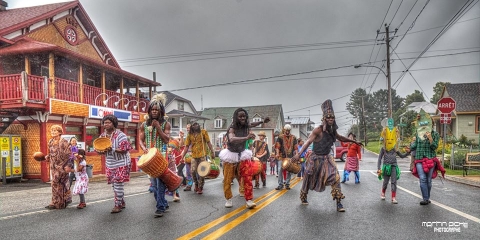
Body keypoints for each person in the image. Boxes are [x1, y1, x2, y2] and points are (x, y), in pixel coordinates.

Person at [291, 99, 362, 212]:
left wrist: (353, 142)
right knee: (308, 178)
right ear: (324, 118)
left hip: (327, 158)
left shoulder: (333, 130)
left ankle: (339, 202)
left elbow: (340, 138)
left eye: (332, 117)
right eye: (328, 117)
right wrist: (299, 154)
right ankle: (303, 196)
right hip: (315, 159)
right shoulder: (318, 130)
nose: (330, 119)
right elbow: (308, 142)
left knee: (335, 178)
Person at [219, 108, 270, 209]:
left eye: (244, 116)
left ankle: (249, 200)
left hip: (242, 154)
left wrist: (262, 121)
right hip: (230, 155)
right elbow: (232, 139)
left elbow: (253, 124)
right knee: (227, 179)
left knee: (247, 177)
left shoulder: (246, 125)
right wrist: (246, 138)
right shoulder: (232, 127)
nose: (242, 118)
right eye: (240, 116)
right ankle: (228, 199)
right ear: (236, 118)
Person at [139, 93, 171, 217]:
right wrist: (143, 148)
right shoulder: (144, 125)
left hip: (161, 157)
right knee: (154, 185)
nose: (154, 112)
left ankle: (160, 207)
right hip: (149, 158)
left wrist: (158, 128)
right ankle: (163, 202)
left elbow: (167, 140)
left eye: (156, 110)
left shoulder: (165, 124)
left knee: (160, 183)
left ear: (161, 111)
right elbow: (140, 139)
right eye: (152, 109)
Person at [409, 109, 445, 205]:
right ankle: (425, 199)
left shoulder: (435, 134)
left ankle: (427, 197)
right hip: (420, 158)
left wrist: (430, 139)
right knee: (422, 178)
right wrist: (409, 147)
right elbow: (414, 145)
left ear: (431, 125)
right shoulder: (418, 134)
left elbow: (434, 147)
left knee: (428, 180)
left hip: (430, 159)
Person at [98, 114, 132, 214]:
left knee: (118, 183)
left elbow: (124, 150)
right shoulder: (102, 136)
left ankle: (117, 205)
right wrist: (100, 150)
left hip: (122, 162)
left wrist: (111, 148)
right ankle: (121, 201)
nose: (106, 124)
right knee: (114, 185)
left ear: (114, 123)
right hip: (110, 163)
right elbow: (100, 151)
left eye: (109, 122)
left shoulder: (121, 135)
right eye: (105, 123)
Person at [376, 125, 409, 204]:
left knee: (394, 181)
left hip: (394, 166)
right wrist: (378, 168)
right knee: (386, 182)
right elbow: (379, 158)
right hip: (386, 167)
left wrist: (408, 152)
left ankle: (393, 197)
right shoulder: (383, 148)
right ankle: (383, 192)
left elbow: (401, 156)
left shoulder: (395, 148)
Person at [180, 122, 215, 194]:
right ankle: (196, 184)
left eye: (197, 124)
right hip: (194, 156)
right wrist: (182, 156)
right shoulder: (190, 134)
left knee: (202, 172)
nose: (196, 126)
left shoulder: (203, 132)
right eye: (194, 125)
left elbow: (208, 142)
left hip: (202, 156)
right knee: (192, 171)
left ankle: (200, 187)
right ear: (192, 127)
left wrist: (212, 152)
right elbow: (186, 146)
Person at [45, 125, 72, 210]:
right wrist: (48, 156)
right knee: (55, 184)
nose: (53, 132)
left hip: (62, 165)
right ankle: (55, 202)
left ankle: (62, 201)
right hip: (53, 166)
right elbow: (51, 153)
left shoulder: (64, 142)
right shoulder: (50, 141)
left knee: (59, 183)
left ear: (60, 132)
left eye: (55, 131)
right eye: (52, 131)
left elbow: (69, 154)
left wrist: (68, 166)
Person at [275, 124, 297, 190]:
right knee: (279, 170)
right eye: (286, 130)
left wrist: (296, 155)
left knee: (289, 171)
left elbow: (296, 148)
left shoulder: (294, 137)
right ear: (284, 130)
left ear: (290, 130)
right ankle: (280, 184)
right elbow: (277, 147)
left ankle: (287, 184)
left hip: (290, 157)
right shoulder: (280, 137)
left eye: (288, 130)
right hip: (282, 157)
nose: (287, 132)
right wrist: (277, 154)